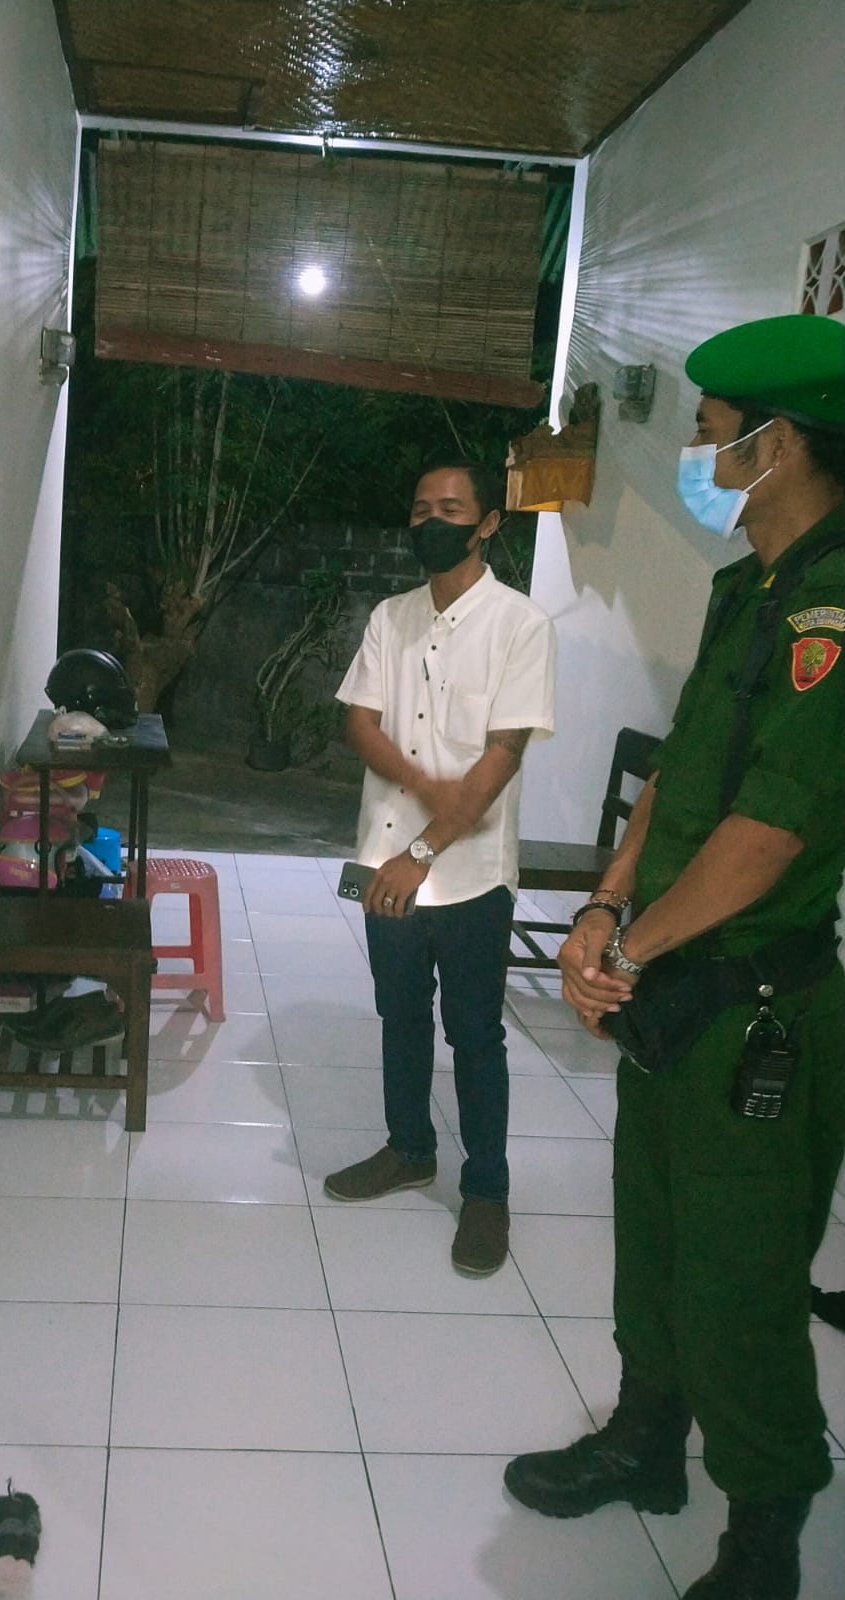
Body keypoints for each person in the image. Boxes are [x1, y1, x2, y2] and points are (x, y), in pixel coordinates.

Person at [504, 314, 845, 1599]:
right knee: (652, 1236)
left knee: (742, 1278)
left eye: (712, 435)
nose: (701, 457)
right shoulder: (744, 588)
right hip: (676, 993)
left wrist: (626, 950)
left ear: (781, 443)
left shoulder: (832, 613)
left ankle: (765, 1531)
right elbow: (679, 773)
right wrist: (605, 905)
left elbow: (766, 837)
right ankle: (647, 1440)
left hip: (756, 1008)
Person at [323, 457, 556, 1277]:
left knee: (475, 1033)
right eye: (421, 508)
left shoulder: (521, 624)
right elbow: (360, 722)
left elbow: (503, 755)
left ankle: (486, 1191)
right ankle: (409, 1149)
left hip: (468, 874)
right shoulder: (391, 617)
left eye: (451, 508)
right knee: (400, 1014)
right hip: (382, 857)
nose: (432, 521)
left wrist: (423, 851)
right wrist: (424, 788)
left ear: (487, 523)